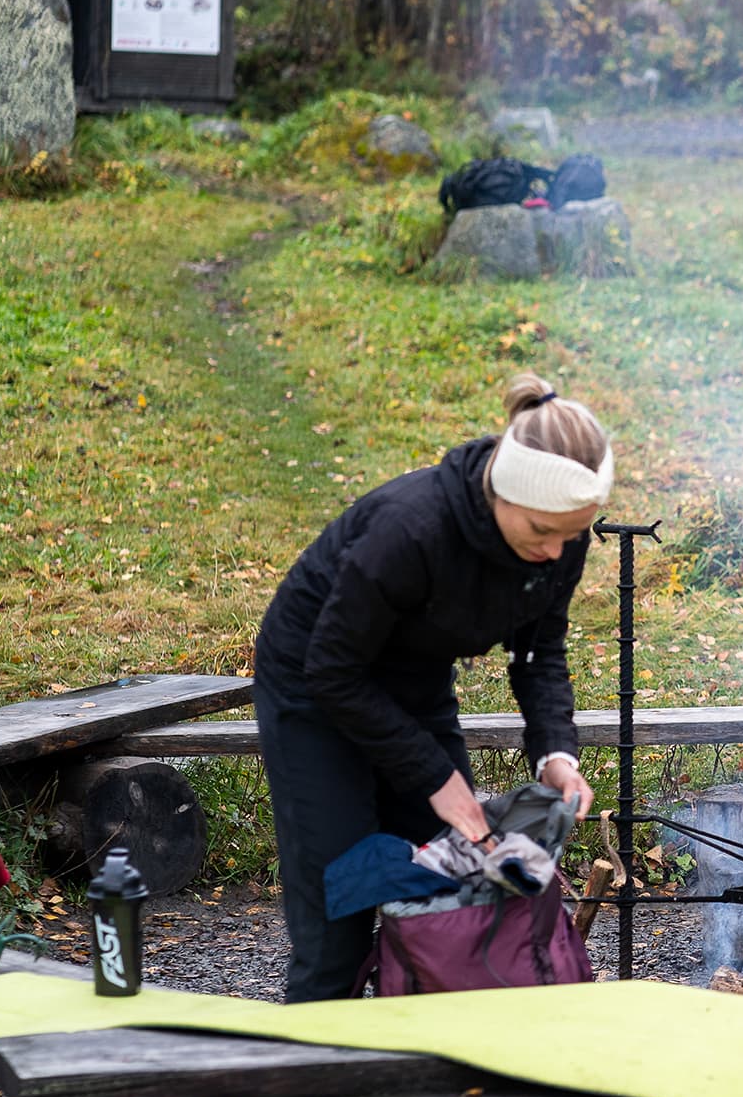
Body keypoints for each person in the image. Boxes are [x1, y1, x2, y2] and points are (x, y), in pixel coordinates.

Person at [253, 373, 611, 1001]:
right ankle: (320, 1048)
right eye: (541, 531)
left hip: (414, 683)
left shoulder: (559, 537)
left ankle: (429, 1052)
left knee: (458, 892)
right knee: (340, 913)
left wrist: (556, 752)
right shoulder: (410, 529)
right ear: (504, 493)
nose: (558, 551)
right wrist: (432, 775)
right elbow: (333, 670)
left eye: (573, 533)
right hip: (314, 690)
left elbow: (539, 652)